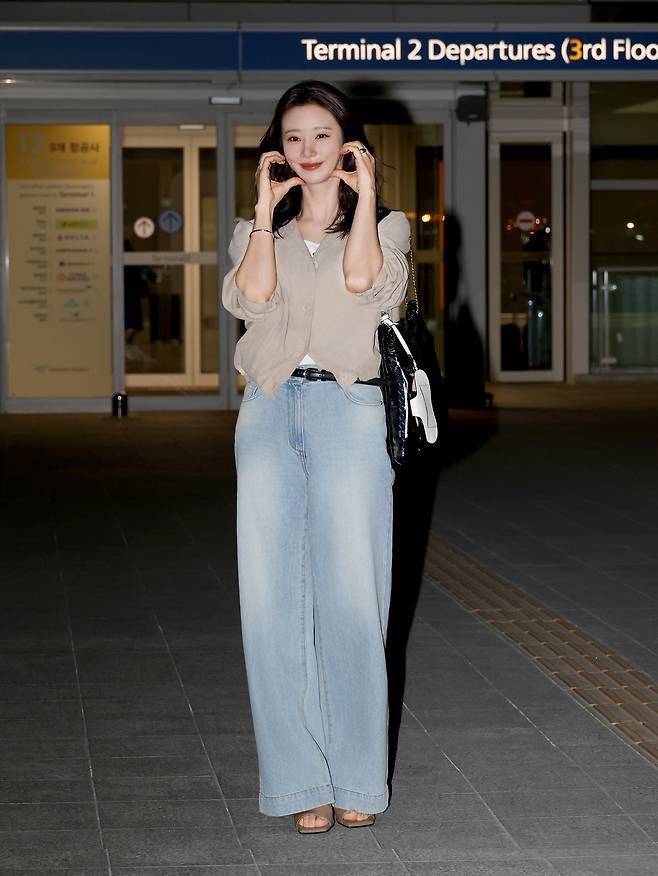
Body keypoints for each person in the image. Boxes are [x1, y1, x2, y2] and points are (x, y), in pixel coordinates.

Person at [221, 79, 410, 835]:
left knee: (354, 599)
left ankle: (358, 774)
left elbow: (366, 283)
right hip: (268, 414)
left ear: (349, 144)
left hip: (350, 413)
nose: (306, 150)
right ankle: (301, 779)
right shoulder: (253, 231)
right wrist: (264, 214)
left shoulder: (387, 226)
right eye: (293, 137)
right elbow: (251, 300)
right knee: (271, 605)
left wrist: (364, 197)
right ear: (277, 147)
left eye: (322, 136)